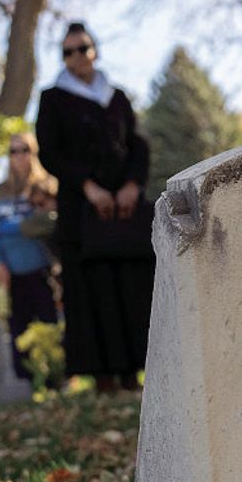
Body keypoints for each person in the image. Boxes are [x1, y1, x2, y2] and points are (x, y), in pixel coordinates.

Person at [35, 22, 154, 393]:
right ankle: (103, 377)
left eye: (82, 48)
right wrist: (89, 187)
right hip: (83, 213)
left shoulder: (116, 97)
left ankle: (133, 374)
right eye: (67, 51)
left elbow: (136, 144)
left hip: (124, 211)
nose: (76, 57)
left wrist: (132, 185)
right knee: (92, 291)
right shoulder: (52, 98)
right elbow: (50, 153)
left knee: (131, 288)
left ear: (94, 50)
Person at [0, 132, 59, 380]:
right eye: (13, 151)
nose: (19, 156)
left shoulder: (46, 186)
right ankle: (26, 383)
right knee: (18, 330)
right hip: (12, 274)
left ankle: (56, 377)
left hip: (44, 271)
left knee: (51, 325)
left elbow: (53, 222)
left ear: (33, 152)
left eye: (24, 149)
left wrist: (21, 228)